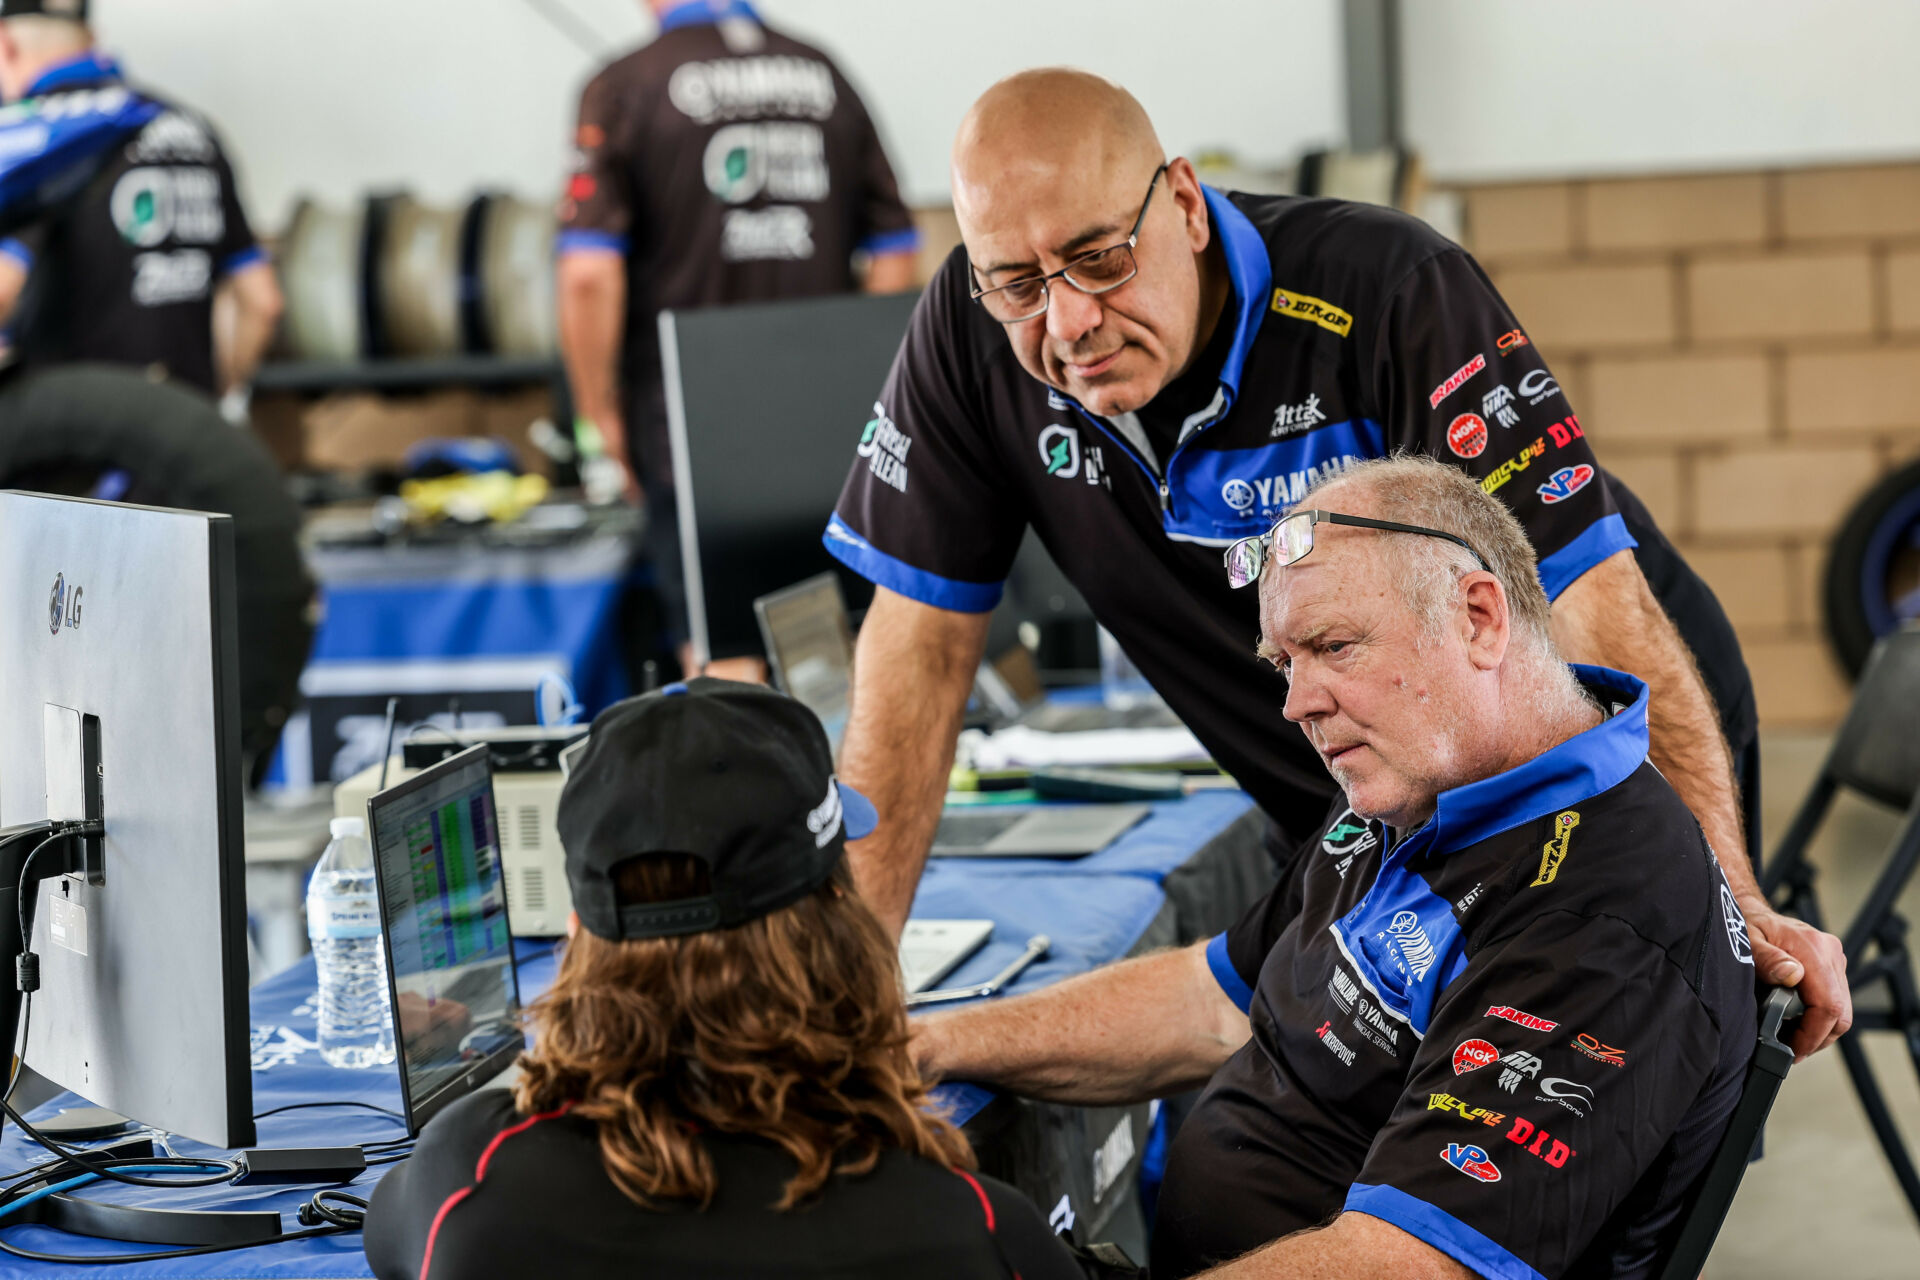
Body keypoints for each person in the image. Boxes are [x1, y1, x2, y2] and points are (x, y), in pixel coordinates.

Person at [823, 67, 1847, 1058]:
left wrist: (1729, 891)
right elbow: (916, 658)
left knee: (1625, 1090)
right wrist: (850, 1010)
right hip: (1348, 793)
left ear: (1182, 200)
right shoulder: (969, 337)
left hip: (1615, 726)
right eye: (1015, 282)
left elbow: (1587, 596)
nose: (1068, 321)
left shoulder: (1389, 288)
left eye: (1100, 259)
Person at [914, 456, 1763, 1279]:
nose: (1296, 703)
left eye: (1334, 646)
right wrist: (928, 1043)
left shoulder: (1606, 915)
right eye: (1285, 664)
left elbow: (1409, 1264)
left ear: (1478, 618)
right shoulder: (1416, 785)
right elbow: (1216, 1000)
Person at [363, 678, 1082, 1280]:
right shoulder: (975, 1232)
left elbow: (384, 1229)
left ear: (579, 939)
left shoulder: (467, 1185)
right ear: (841, 927)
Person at [557, 0, 919, 677]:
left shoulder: (624, 83)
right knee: (831, 645)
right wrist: (871, 393)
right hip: (828, 418)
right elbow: (897, 250)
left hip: (691, 420)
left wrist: (596, 415)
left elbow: (587, 274)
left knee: (724, 653)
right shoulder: (823, 72)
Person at [0, 0, 282, 400]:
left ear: (4, 45)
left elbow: (3, 286)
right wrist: (214, 400)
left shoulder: (40, 139)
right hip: (190, 429)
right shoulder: (189, 126)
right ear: (92, 40)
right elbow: (262, 302)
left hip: (84, 436)